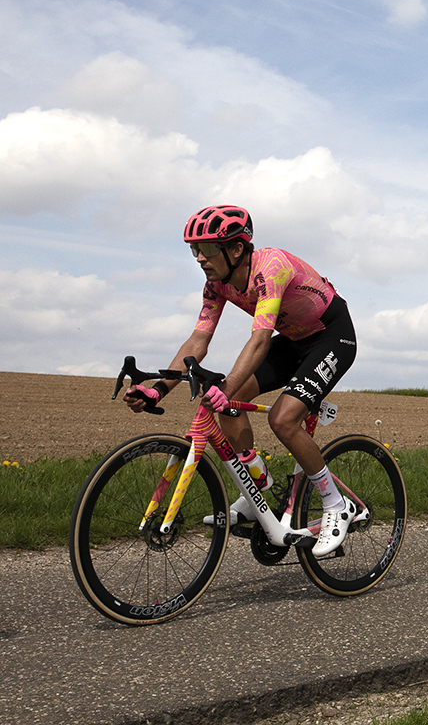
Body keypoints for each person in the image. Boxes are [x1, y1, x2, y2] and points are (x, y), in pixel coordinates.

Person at [123, 205, 359, 557]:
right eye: (194, 250)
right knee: (228, 405)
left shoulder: (271, 267)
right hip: (293, 341)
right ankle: (257, 487)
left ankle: (336, 504)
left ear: (236, 249)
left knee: (282, 419)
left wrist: (226, 386)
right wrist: (158, 388)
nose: (200, 258)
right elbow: (197, 342)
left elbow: (260, 340)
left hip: (331, 337)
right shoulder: (215, 285)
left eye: (207, 249)